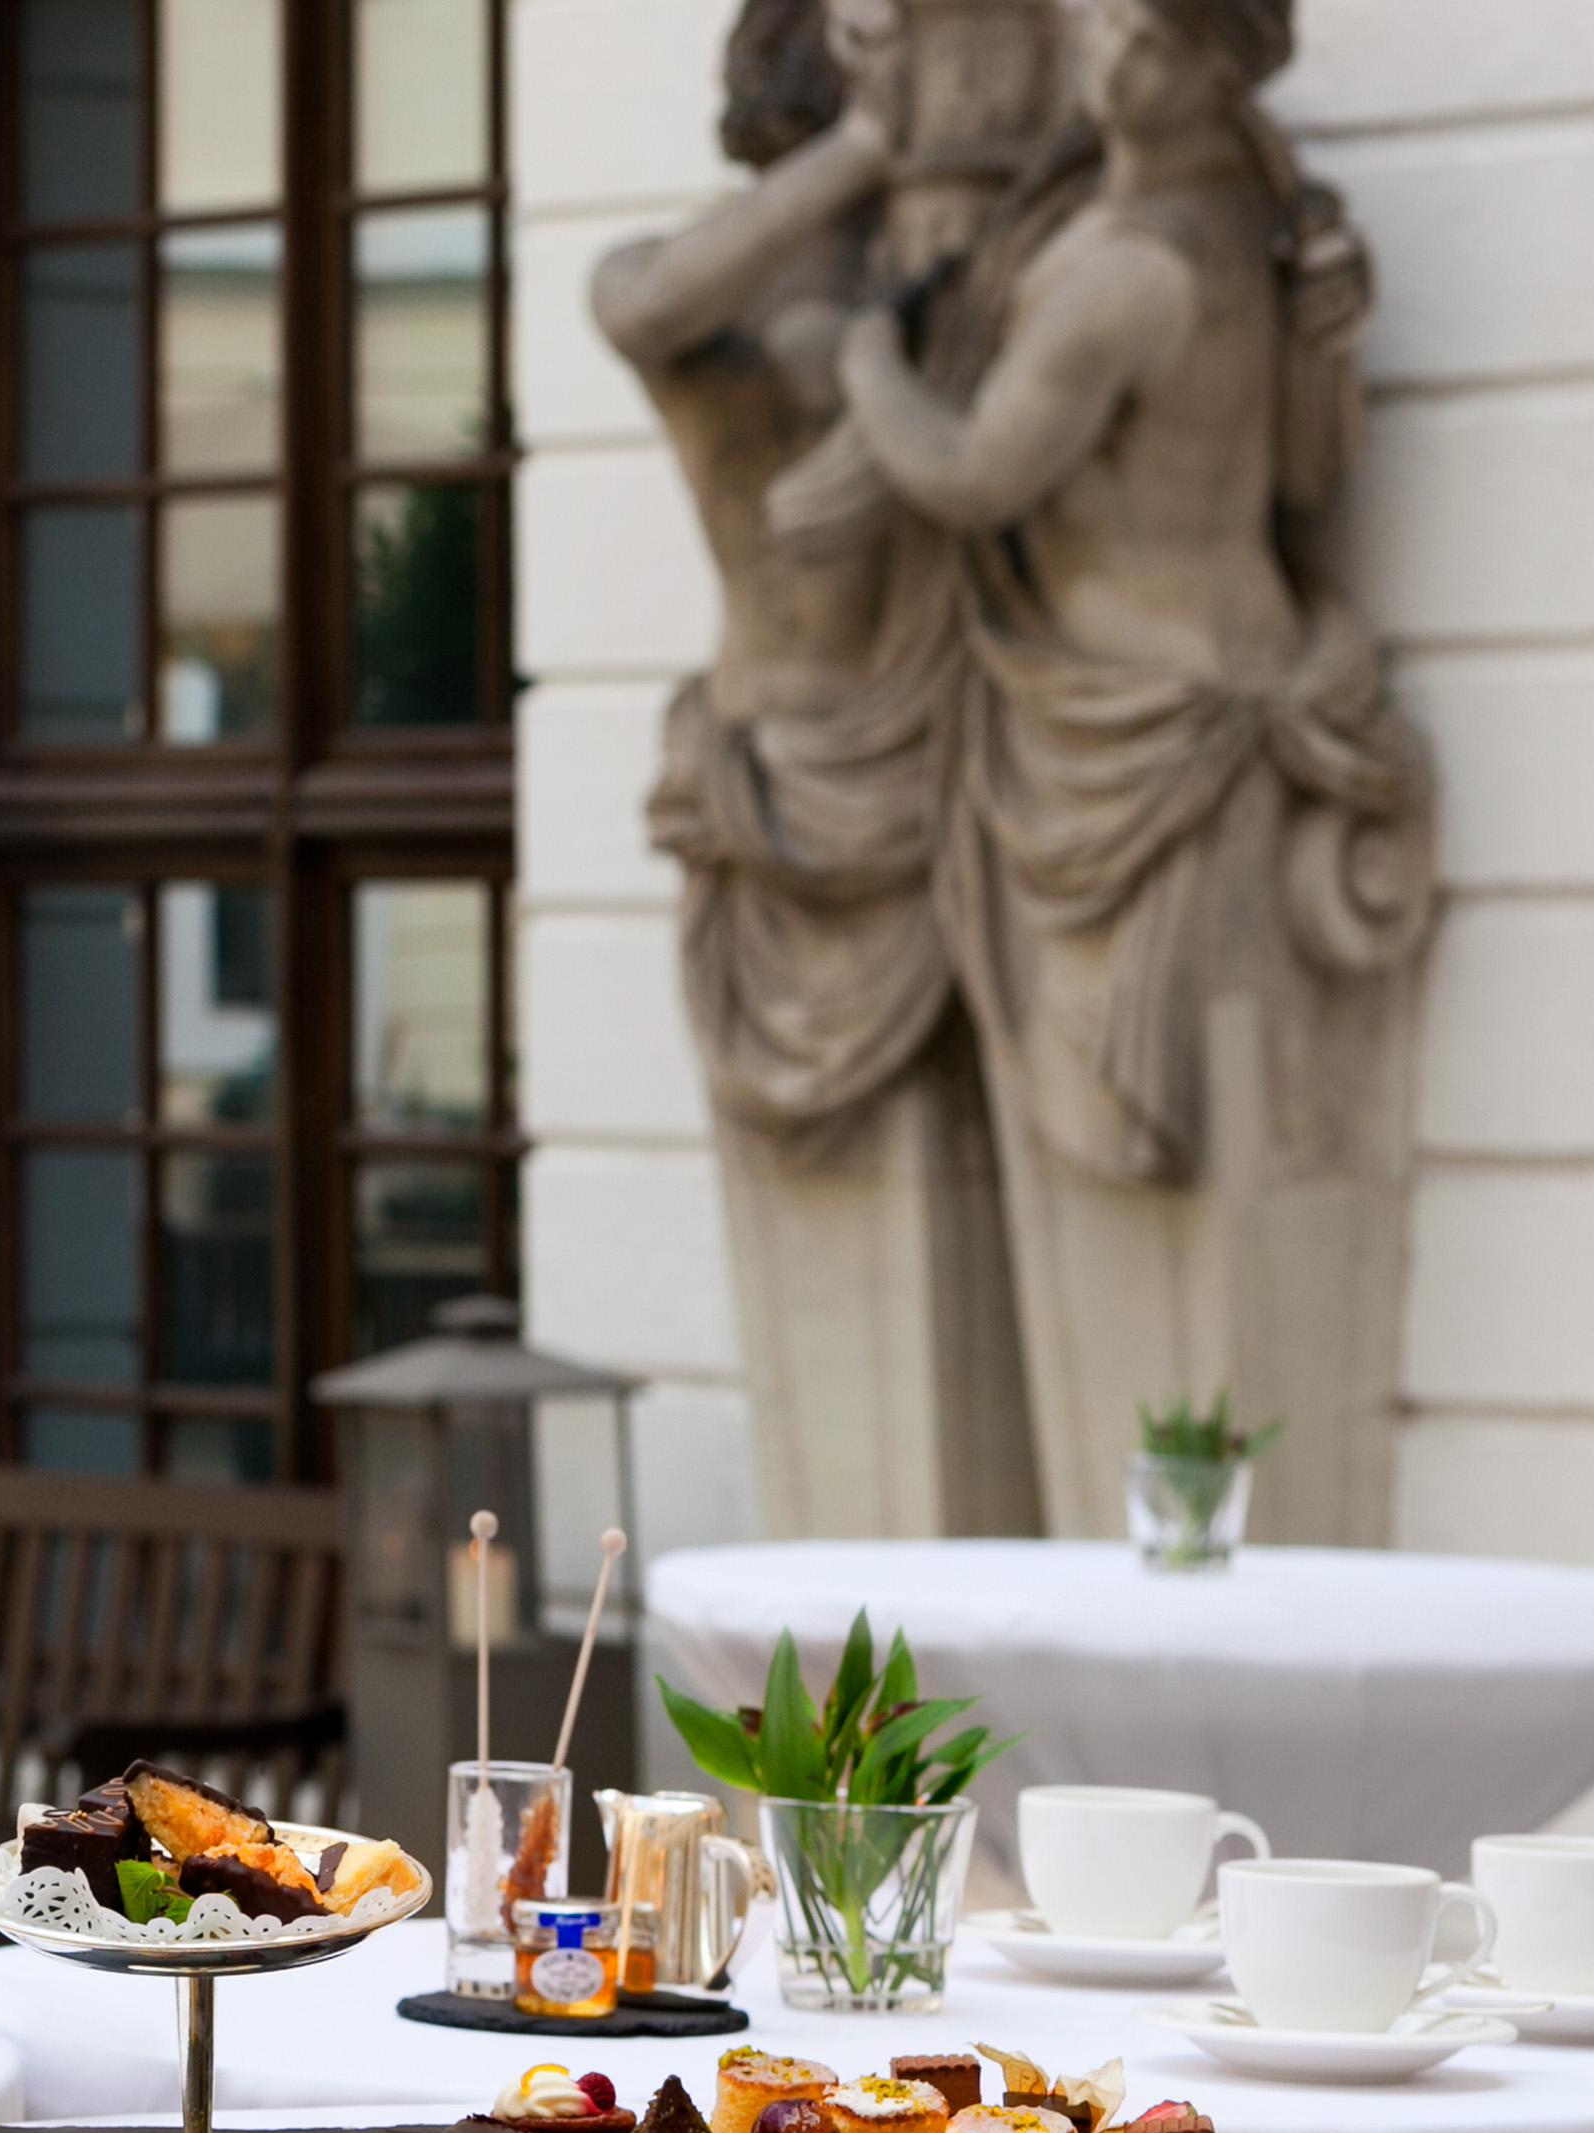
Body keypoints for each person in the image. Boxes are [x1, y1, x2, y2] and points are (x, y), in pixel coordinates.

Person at [806, 0, 1434, 1541]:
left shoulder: (1126, 273)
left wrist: (869, 358)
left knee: (1155, 1241)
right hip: (1186, 703)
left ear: (1190, 62)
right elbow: (1302, 467)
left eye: (1126, 32)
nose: (1094, 52)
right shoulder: (1248, 234)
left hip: (1125, 739)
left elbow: (967, 472)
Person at [592, 0, 1042, 1538]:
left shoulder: (923, 284)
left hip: (935, 767)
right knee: (833, 1299)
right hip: (776, 779)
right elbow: (638, 307)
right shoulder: (704, 285)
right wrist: (864, 150)